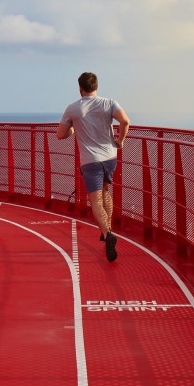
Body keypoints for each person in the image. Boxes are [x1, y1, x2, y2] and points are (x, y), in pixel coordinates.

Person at [56, 72, 130, 262]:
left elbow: (60, 134)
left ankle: (107, 234)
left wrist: (73, 128)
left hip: (90, 160)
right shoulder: (109, 103)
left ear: (80, 88)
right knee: (106, 192)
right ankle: (108, 229)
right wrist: (120, 140)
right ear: (96, 86)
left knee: (95, 200)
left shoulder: (73, 108)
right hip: (110, 157)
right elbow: (125, 121)